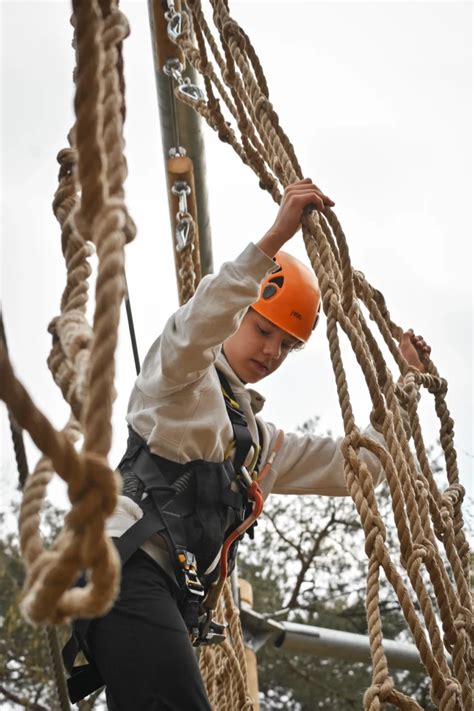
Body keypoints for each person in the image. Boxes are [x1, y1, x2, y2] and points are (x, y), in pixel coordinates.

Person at [66, 179, 431, 710]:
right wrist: (272, 241)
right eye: (263, 330)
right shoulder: (176, 380)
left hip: (158, 592)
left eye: (286, 344)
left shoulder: (255, 443)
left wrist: (402, 389)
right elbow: (198, 327)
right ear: (238, 314)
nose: (272, 351)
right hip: (119, 566)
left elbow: (355, 468)